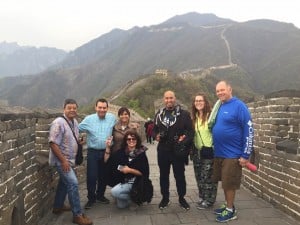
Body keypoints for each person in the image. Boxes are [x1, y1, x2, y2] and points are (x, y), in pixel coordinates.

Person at [211, 81, 254, 222]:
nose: (220, 93)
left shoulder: (239, 106)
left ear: (230, 89)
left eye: (222, 90)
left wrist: (245, 155)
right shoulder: (220, 106)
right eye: (217, 91)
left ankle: (230, 211)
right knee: (225, 182)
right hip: (220, 153)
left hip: (232, 154)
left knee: (229, 184)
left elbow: (249, 130)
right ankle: (229, 205)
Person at [48, 99, 93, 225]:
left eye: (74, 108)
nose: (72, 110)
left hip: (70, 160)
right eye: (69, 108)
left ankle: (58, 206)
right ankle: (77, 215)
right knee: (73, 183)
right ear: (64, 109)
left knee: (64, 183)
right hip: (62, 161)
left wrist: (79, 142)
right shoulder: (58, 123)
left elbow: (71, 138)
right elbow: (53, 143)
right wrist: (63, 161)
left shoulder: (74, 122)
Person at [152, 90, 194, 210]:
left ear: (175, 99)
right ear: (163, 99)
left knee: (180, 175)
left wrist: (183, 141)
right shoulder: (159, 114)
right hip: (163, 150)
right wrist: (156, 136)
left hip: (178, 151)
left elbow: (190, 131)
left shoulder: (184, 114)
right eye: (166, 98)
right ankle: (165, 198)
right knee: (163, 176)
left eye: (171, 98)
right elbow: (153, 130)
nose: (169, 100)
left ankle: (182, 198)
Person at [78, 98, 117, 209]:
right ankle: (91, 198)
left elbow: (118, 128)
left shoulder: (112, 118)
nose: (102, 110)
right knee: (91, 176)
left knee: (103, 176)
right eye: (100, 107)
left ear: (107, 108)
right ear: (95, 107)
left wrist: (132, 126)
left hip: (106, 152)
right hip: (93, 153)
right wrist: (79, 139)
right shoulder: (88, 119)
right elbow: (77, 129)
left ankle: (100, 195)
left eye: (104, 108)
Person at [104, 130, 150, 209]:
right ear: (125, 141)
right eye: (129, 139)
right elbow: (108, 161)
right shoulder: (121, 152)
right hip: (124, 180)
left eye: (133, 139)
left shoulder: (141, 153)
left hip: (137, 183)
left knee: (114, 192)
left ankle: (137, 198)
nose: (131, 141)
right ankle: (133, 198)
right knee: (121, 206)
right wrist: (108, 147)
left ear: (137, 140)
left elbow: (144, 173)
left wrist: (130, 170)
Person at [190, 93, 218, 210]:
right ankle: (202, 196)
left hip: (209, 151)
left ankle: (209, 200)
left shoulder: (211, 117)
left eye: (201, 100)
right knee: (199, 176)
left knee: (208, 176)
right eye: (196, 101)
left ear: (205, 102)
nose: (198, 102)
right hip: (197, 151)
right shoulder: (194, 118)